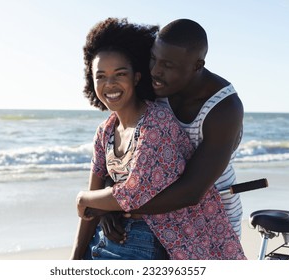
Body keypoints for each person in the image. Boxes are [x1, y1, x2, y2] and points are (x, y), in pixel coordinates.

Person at [70, 17, 245, 260]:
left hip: (210, 213)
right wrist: (107, 208)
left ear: (197, 65)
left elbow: (191, 192)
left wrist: (109, 204)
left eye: (168, 65)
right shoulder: (156, 85)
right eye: (153, 58)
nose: (155, 71)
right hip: (151, 213)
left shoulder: (224, 108)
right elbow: (124, 160)